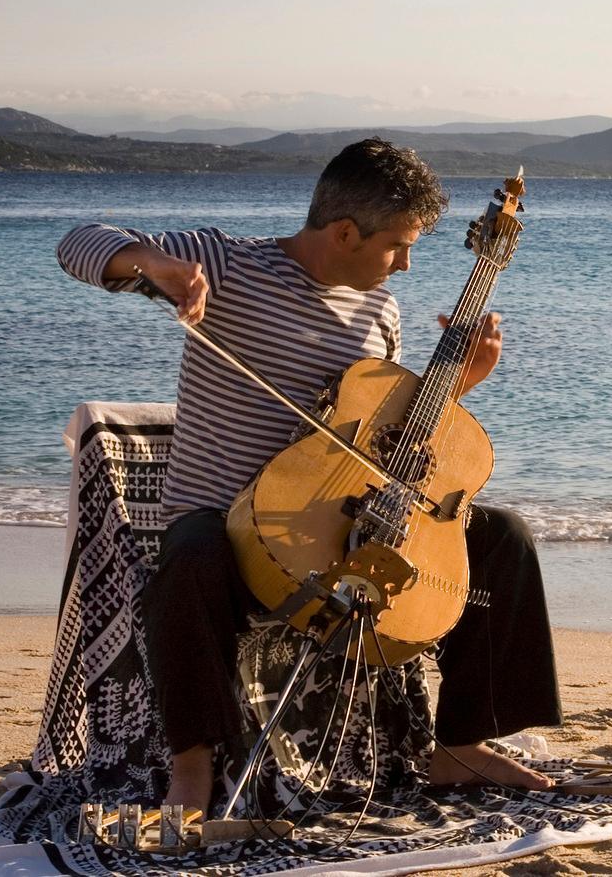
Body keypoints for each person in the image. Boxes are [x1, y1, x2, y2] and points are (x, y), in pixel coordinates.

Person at [56, 138, 561, 814]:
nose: (406, 265)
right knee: (190, 550)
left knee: (504, 537)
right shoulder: (229, 264)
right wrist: (157, 265)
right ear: (346, 231)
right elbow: (78, 242)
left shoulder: (378, 310)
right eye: (397, 246)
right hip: (230, 528)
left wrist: (455, 389)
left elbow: (384, 438)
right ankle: (192, 763)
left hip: (338, 523)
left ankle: (459, 742)